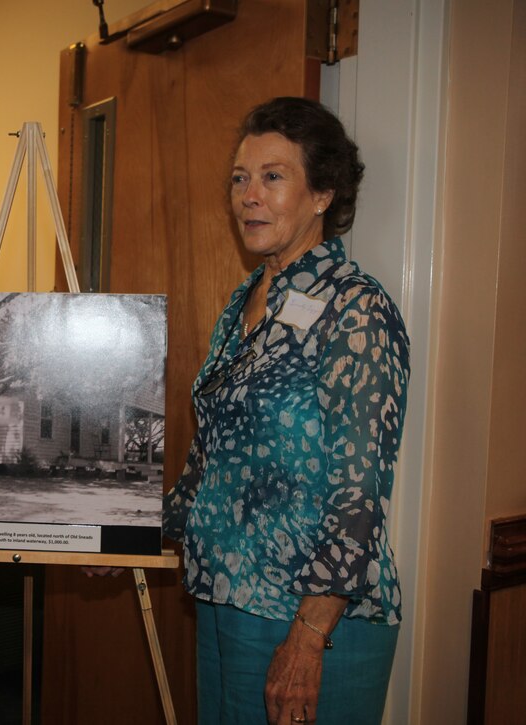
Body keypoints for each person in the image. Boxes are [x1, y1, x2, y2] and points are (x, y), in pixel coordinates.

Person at [161, 97, 410, 725]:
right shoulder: (245, 302)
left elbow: (360, 497)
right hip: (222, 599)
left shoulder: (356, 310)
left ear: (322, 193)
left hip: (311, 617)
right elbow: (211, 460)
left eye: (273, 176)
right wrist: (121, 534)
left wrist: (308, 637)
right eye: (240, 179)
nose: (249, 195)